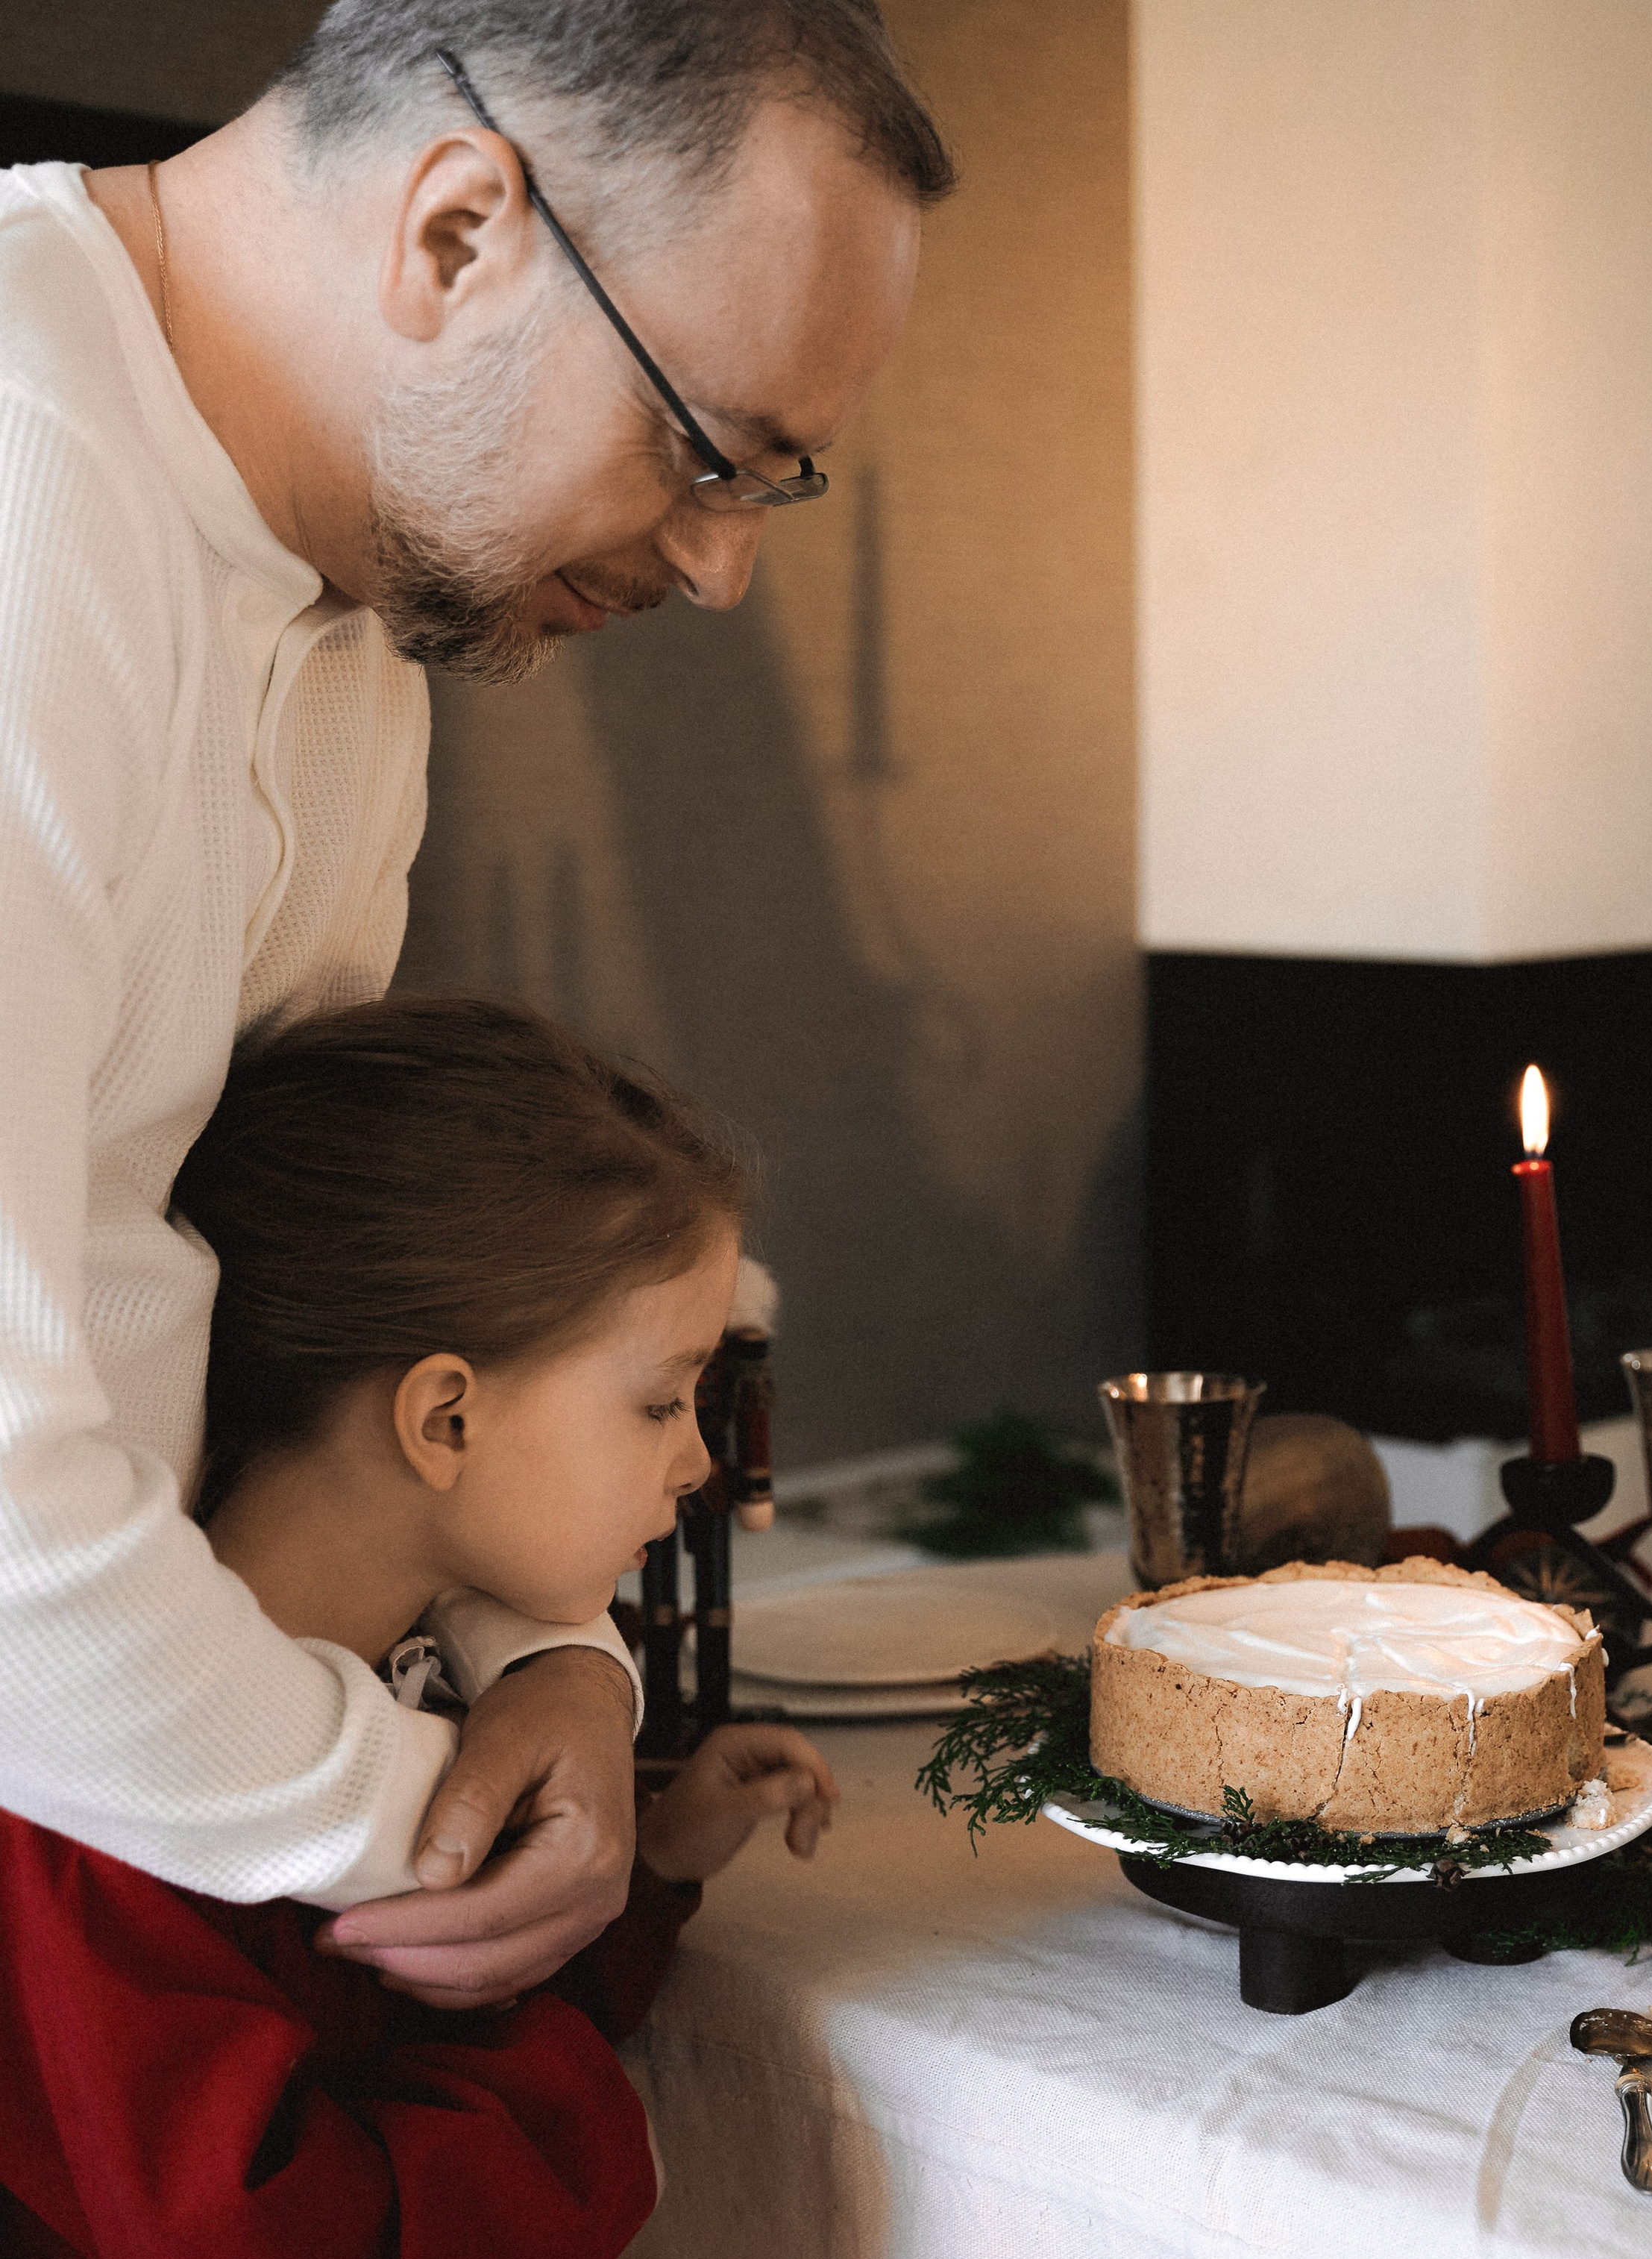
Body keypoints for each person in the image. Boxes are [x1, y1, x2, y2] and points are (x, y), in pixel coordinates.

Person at [0, 3, 949, 2000]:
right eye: (715, 456)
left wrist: (562, 1673)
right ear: (457, 233)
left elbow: (334, 1277)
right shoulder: (29, 514)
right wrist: (431, 1801)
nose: (718, 573)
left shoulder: (359, 600)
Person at [0, 996, 842, 2259]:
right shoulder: (120, 1785)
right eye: (658, 1395)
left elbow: (411, 2017)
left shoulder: (408, 1690)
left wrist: (635, 1883)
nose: (697, 1459)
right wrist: (581, 2100)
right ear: (444, 1412)